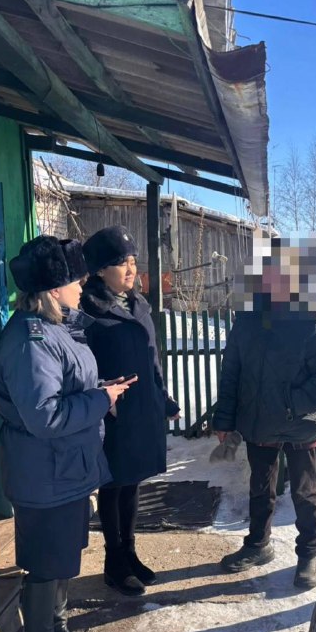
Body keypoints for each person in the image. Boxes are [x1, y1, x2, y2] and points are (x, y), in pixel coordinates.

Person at [0, 236, 134, 632]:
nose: (82, 286)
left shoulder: (52, 328)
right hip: (45, 472)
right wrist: (99, 400)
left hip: (62, 469)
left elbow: (61, 390)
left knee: (61, 560)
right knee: (45, 564)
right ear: (54, 288)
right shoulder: (30, 340)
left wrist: (99, 391)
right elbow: (45, 416)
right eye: (77, 279)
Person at [213, 237, 316, 589]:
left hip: (300, 425)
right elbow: (231, 372)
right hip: (258, 424)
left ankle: (310, 553)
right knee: (259, 489)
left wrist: (292, 404)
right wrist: (224, 419)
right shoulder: (247, 320)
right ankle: (258, 545)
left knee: (305, 494)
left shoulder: (311, 319)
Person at [81, 226, 180, 596]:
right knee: (113, 485)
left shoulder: (138, 304)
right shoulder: (89, 310)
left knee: (132, 482)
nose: (131, 268)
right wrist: (101, 397)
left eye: (133, 261)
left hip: (142, 410)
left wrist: (163, 397)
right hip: (112, 413)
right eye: (122, 262)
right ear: (100, 270)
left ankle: (130, 553)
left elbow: (152, 360)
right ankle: (114, 562)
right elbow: (83, 367)